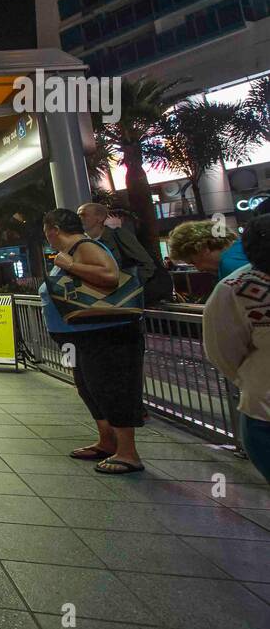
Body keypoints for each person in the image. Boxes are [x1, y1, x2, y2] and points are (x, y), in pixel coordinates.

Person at [40, 208, 146, 474]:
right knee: (90, 387)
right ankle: (107, 441)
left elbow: (109, 276)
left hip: (106, 334)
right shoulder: (71, 251)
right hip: (81, 336)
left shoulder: (84, 246)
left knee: (111, 387)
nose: (47, 236)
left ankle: (128, 452)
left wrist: (71, 266)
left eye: (46, 231)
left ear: (53, 229)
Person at [202, 215, 270, 483]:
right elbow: (223, 350)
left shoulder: (233, 288)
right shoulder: (236, 288)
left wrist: (252, 378)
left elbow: (223, 351)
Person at [78, 202, 169, 304]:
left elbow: (147, 264)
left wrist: (128, 287)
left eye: (83, 214)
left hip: (130, 298)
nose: (79, 218)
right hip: (111, 299)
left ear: (99, 218)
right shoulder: (86, 243)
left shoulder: (118, 235)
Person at [167, 220, 242, 277]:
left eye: (193, 262)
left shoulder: (230, 268)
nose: (199, 269)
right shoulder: (243, 247)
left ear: (204, 247)